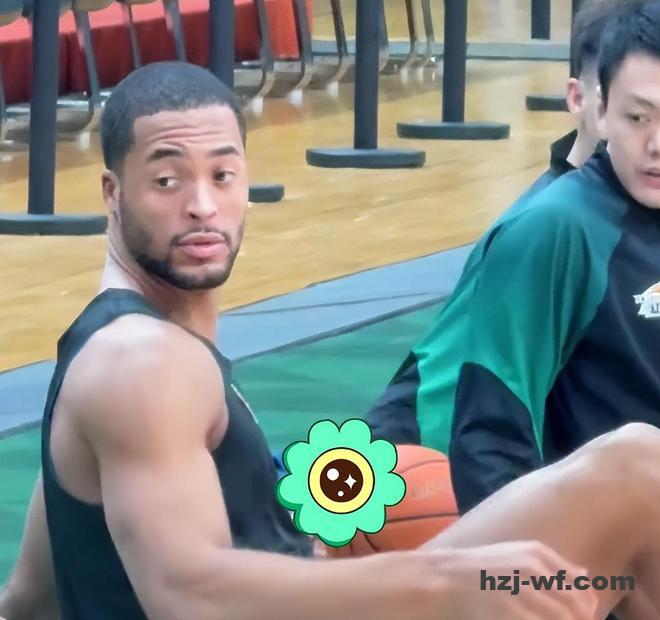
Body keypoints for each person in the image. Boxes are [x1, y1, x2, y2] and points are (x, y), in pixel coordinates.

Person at [2, 47, 660, 619]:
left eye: (222, 175)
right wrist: (438, 579)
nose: (202, 205)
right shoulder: (141, 362)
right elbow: (189, 593)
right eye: (167, 180)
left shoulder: (113, 351)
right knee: (637, 469)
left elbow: (29, 597)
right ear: (112, 192)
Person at [364, 0, 652, 515]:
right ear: (595, 105)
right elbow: (481, 425)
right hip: (413, 459)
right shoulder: (554, 229)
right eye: (638, 116)